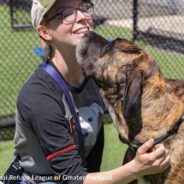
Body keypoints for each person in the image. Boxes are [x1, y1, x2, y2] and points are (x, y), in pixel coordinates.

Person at [10, 0, 170, 183]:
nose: (82, 17)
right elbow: (74, 178)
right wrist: (134, 169)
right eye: (66, 13)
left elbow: (91, 163)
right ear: (44, 31)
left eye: (83, 7)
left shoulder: (95, 78)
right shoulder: (38, 95)